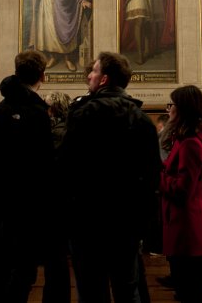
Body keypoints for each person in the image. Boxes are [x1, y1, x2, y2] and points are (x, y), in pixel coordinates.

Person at [59, 51, 161, 302]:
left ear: (104, 79)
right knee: (127, 287)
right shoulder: (142, 119)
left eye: (93, 71)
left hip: (87, 217)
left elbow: (66, 166)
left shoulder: (82, 113)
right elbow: (152, 176)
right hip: (126, 219)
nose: (89, 76)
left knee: (91, 289)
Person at [0, 50, 58, 302]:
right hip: (26, 201)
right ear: (42, 76)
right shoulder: (37, 113)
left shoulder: (0, 108)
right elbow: (45, 162)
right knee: (21, 264)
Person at [159, 85, 202, 303]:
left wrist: (157, 176)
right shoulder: (187, 140)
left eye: (172, 105)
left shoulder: (191, 144)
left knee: (189, 293)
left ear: (183, 109)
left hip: (187, 229)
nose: (169, 110)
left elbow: (182, 190)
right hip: (186, 225)